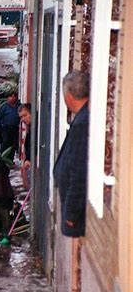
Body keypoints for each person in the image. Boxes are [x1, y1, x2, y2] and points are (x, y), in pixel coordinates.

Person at [53, 71, 89, 237]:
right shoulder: (81, 118)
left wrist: (71, 213)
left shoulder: (83, 123)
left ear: (68, 98)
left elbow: (79, 171)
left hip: (76, 213)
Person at [0, 91, 21, 160]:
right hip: (6, 128)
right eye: (10, 96)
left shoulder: (19, 105)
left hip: (15, 128)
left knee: (13, 144)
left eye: (13, 96)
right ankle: (3, 159)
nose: (11, 98)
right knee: (5, 143)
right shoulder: (4, 106)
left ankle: (10, 160)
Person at [18, 103, 32, 189]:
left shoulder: (37, 127)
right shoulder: (30, 127)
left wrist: (30, 159)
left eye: (25, 115)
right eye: (21, 117)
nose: (22, 119)